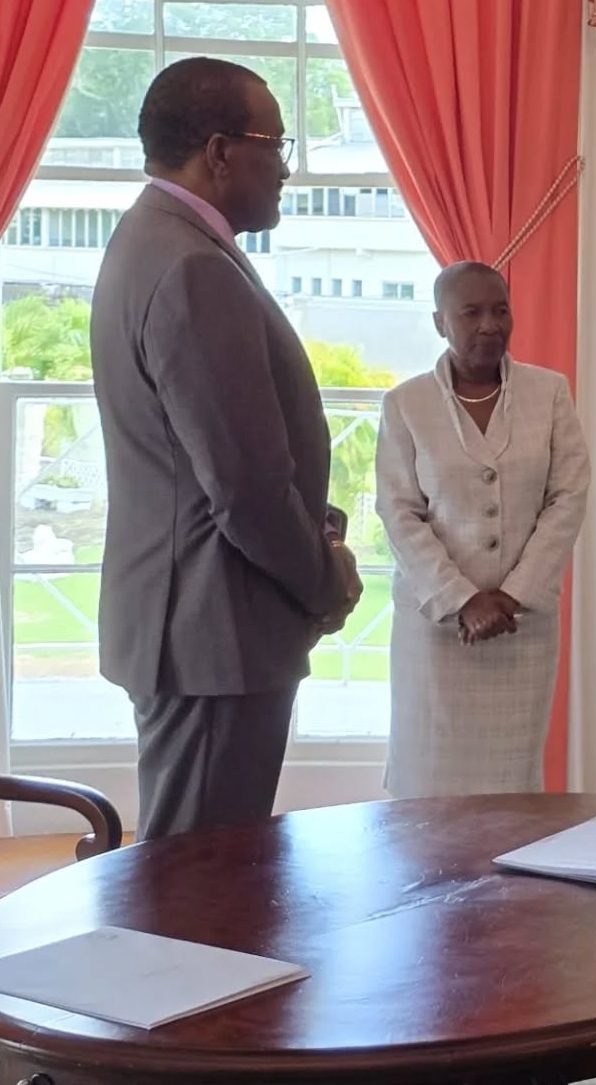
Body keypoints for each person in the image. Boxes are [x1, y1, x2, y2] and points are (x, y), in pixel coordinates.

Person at [91, 58, 361, 841]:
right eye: (273, 142)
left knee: (199, 886)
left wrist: (318, 524)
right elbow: (241, 487)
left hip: (201, 625)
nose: (285, 165)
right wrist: (324, 578)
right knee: (194, 896)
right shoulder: (191, 267)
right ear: (217, 151)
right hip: (213, 633)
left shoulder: (154, 241)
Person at [376, 262, 589, 798]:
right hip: (438, 631)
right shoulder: (406, 404)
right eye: (471, 312)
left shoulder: (550, 394)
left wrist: (512, 596)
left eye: (501, 309)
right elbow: (399, 513)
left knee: (511, 790)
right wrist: (463, 599)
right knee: (429, 789)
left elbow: (568, 496)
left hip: (522, 629)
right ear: (439, 322)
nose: (490, 324)